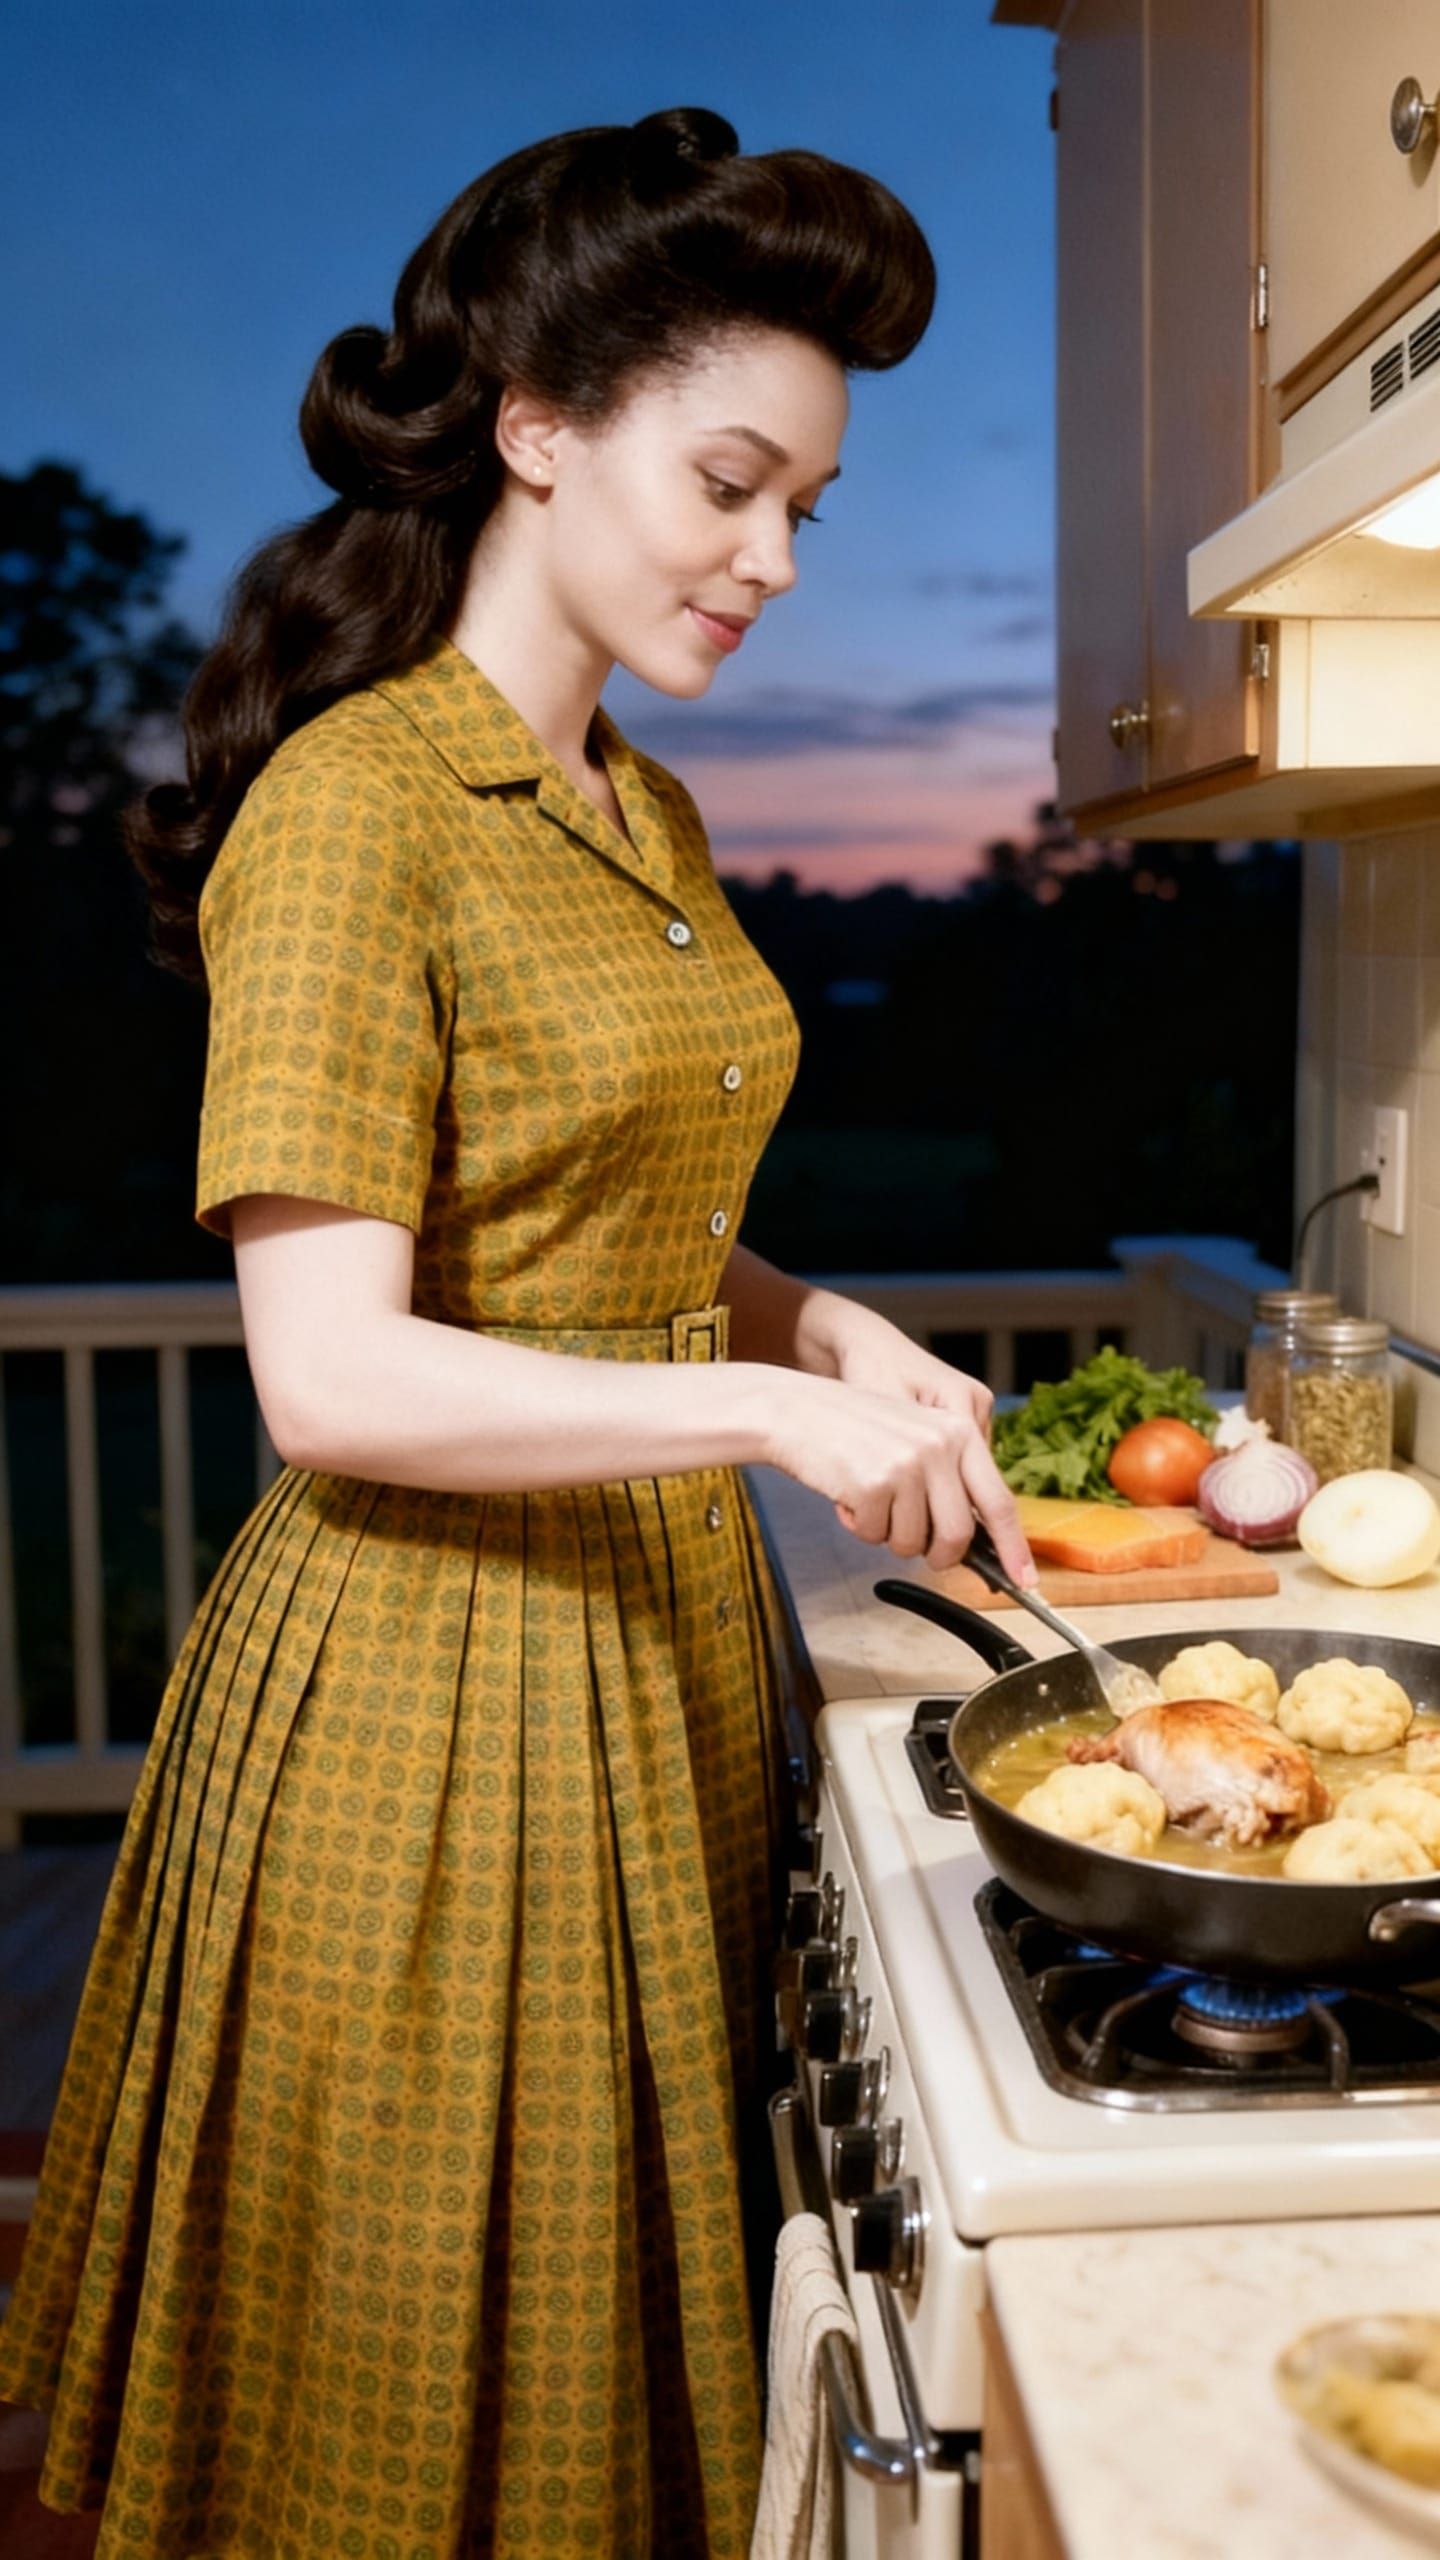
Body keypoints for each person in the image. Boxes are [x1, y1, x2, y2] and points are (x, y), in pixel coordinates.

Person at [0, 105, 1033, 2559]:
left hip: (654, 1654)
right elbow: (330, 1368)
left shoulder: (638, 808)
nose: (776, 559)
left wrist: (829, 1318)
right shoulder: (363, 805)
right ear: (538, 427)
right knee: (419, 2429)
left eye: (811, 508)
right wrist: (768, 1401)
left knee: (601, 2379)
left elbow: (625, 1218)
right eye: (732, 483)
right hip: (433, 1699)